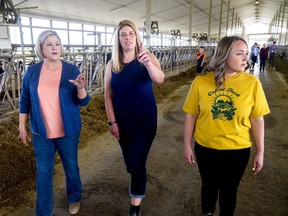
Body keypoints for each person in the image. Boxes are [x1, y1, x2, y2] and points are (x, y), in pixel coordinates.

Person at [183, 36, 270, 216]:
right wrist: (187, 146)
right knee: (208, 185)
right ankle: (207, 212)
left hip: (237, 150)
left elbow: (257, 120)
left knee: (229, 189)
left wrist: (260, 151)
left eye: (246, 53)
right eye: (240, 53)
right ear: (223, 55)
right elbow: (191, 115)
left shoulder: (253, 83)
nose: (246, 58)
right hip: (206, 147)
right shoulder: (200, 82)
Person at [18, 30, 90, 216]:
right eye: (49, 44)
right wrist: (22, 127)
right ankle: (43, 212)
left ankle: (74, 198)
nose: (54, 47)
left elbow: (83, 102)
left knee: (71, 167)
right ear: (41, 48)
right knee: (43, 173)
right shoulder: (32, 71)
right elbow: (25, 100)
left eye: (57, 43)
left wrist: (81, 88)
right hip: (41, 133)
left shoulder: (72, 70)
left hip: (68, 131)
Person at [104, 20, 165, 216]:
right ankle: (136, 176)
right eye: (123, 34)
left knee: (138, 163)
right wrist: (112, 122)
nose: (127, 37)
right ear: (118, 39)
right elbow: (108, 95)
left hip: (145, 121)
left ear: (136, 36)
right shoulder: (112, 64)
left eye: (131, 33)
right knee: (130, 162)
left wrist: (148, 64)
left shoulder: (147, 57)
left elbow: (160, 80)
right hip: (122, 123)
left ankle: (135, 207)